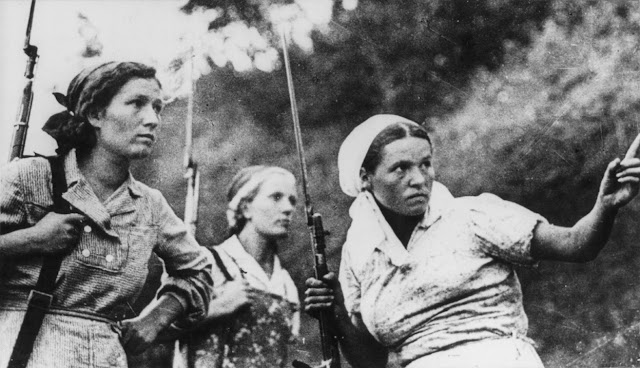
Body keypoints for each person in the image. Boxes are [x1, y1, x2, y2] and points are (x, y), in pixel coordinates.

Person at [303, 114, 640, 368]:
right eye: (400, 169)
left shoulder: (472, 216)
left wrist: (605, 205)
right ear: (365, 178)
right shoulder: (359, 253)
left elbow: (576, 244)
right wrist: (335, 311)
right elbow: (371, 362)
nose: (419, 179)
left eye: (425, 164)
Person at [0, 61, 214, 368]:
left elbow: (198, 272)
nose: (152, 119)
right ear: (96, 114)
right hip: (21, 351)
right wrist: (31, 240)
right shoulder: (30, 179)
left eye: (157, 108)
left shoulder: (150, 205)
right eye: (137, 104)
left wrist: (155, 319)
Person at [173, 165, 301, 368]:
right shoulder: (208, 262)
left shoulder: (285, 284)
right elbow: (160, 327)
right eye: (276, 197)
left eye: (292, 200)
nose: (288, 208)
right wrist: (220, 306)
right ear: (246, 207)